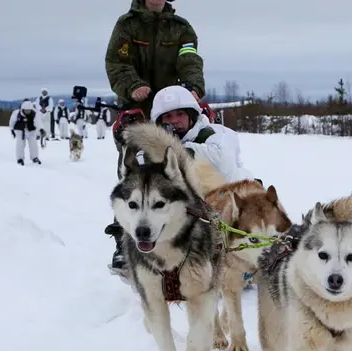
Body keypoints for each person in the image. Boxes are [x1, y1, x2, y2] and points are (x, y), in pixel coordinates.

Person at [104, 85, 257, 275]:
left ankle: (247, 257)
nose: (174, 121)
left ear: (191, 115)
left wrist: (172, 148)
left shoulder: (215, 133)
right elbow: (133, 179)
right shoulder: (153, 148)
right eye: (167, 117)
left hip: (225, 203)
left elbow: (223, 161)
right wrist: (128, 143)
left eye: (179, 114)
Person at [9, 99, 46, 165]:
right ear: (23, 109)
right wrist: (12, 130)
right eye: (26, 110)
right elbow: (12, 121)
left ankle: (34, 157)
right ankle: (20, 158)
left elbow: (38, 121)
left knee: (33, 144)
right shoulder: (16, 113)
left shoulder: (34, 113)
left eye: (29, 110)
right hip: (20, 130)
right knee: (20, 144)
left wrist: (41, 129)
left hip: (31, 130)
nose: (28, 111)